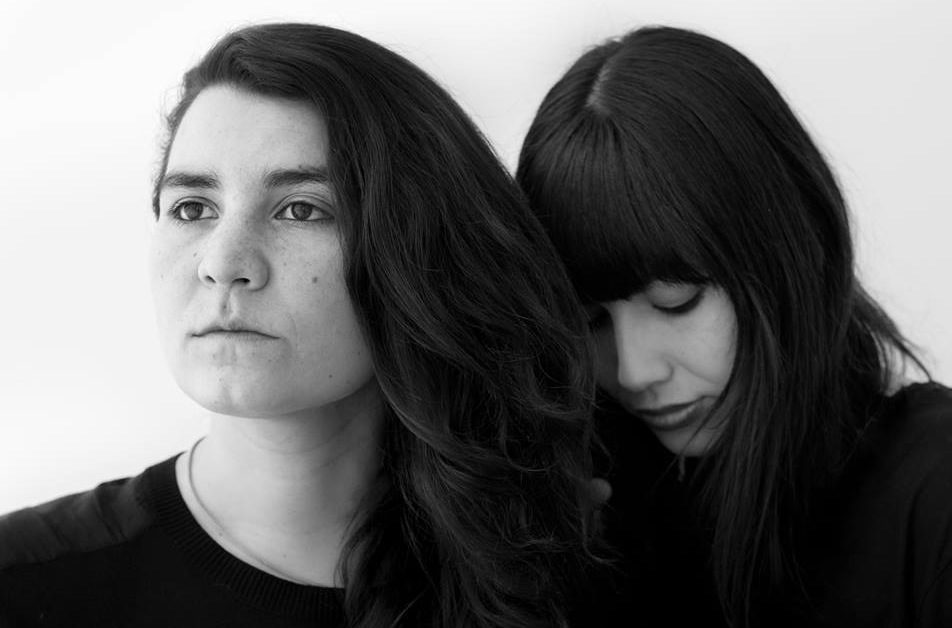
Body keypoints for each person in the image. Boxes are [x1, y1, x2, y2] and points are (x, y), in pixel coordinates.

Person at [0, 22, 601, 628]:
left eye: (301, 210)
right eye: (192, 208)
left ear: (421, 254)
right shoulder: (21, 584)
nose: (223, 264)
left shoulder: (557, 574)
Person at [516, 25, 952, 628]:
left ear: (790, 252)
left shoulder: (934, 489)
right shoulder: (584, 507)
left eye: (677, 303)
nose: (635, 372)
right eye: (591, 321)